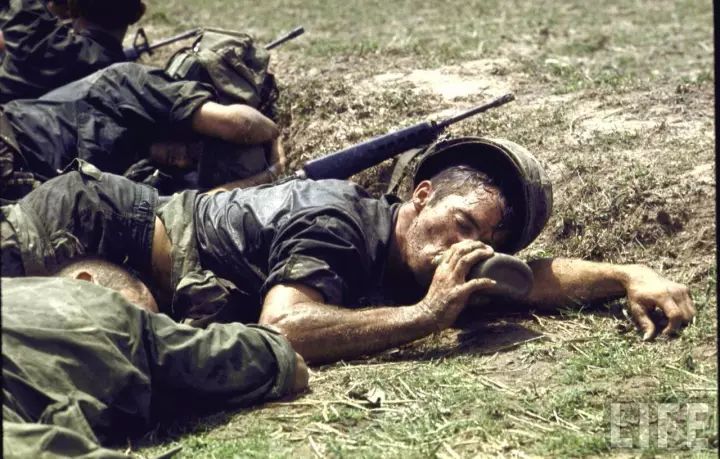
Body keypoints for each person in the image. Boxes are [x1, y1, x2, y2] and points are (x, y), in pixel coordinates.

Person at [1, 137, 695, 364]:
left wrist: (627, 273)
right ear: (421, 195)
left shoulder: (419, 248)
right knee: (120, 341)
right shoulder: (339, 223)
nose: (466, 247)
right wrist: (423, 318)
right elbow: (285, 327)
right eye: (461, 223)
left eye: (484, 242)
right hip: (89, 226)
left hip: (135, 252)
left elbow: (532, 278)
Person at [2, 257, 309, 458]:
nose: (157, 324)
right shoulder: (101, 309)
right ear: (86, 283)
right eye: (146, 313)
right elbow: (280, 360)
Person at [0, 62, 284, 199]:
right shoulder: (128, 85)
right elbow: (237, 124)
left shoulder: (148, 175)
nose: (182, 162)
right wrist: (275, 133)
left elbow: (196, 207)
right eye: (194, 149)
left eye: (193, 167)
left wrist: (266, 177)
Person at [0, 0, 146, 103]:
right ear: (137, 13)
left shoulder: (61, 52)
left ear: (72, 10)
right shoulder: (116, 71)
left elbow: (26, 23)